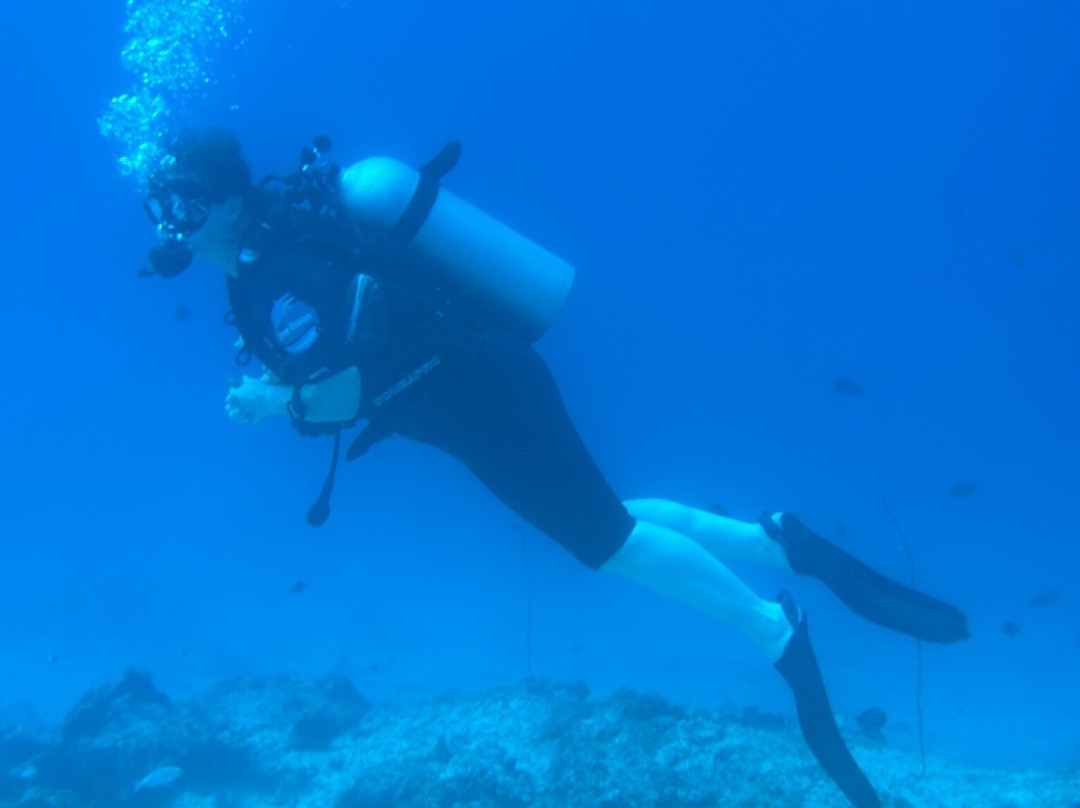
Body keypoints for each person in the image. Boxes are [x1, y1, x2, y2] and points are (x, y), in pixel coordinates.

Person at [139, 128, 971, 808]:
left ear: (227, 199)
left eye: (182, 203)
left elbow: (351, 382)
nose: (169, 222)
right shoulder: (267, 258)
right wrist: (286, 388)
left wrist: (271, 405)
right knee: (602, 520)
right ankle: (775, 540)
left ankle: (775, 630)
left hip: (478, 393)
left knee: (604, 542)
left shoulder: (279, 263)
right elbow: (349, 349)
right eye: (158, 206)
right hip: (467, 394)